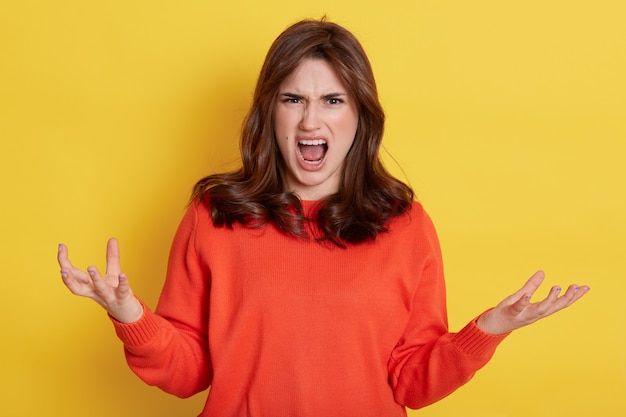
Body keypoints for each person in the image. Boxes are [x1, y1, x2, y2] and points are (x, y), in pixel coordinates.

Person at [57, 18, 589, 417]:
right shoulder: (214, 216)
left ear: (360, 115)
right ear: (270, 112)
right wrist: (132, 317)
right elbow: (189, 370)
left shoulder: (406, 226)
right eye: (294, 99)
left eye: (333, 99)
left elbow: (410, 380)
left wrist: (488, 330)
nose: (312, 119)